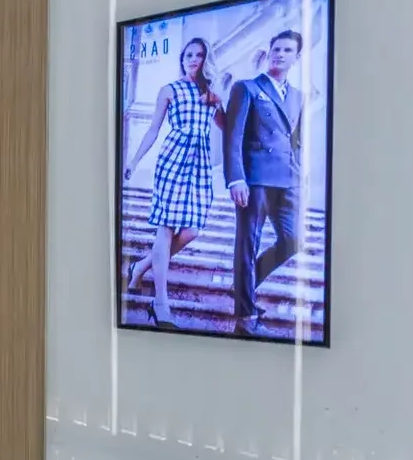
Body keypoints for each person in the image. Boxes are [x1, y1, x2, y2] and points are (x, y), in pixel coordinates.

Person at [124, 37, 226, 328]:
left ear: (207, 60)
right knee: (165, 229)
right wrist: (133, 161)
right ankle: (161, 303)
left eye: (200, 55)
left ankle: (141, 265)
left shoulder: (211, 93)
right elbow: (154, 129)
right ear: (182, 58)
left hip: (200, 164)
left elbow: (226, 128)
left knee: (192, 230)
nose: (193, 59)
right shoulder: (169, 90)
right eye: (189, 55)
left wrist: (222, 100)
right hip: (173, 159)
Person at [225, 29, 307, 337]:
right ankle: (245, 317)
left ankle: (243, 285)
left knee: (293, 240)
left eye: (287, 50)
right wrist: (236, 178)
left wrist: (300, 173)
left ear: (296, 58)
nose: (280, 54)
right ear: (269, 51)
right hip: (255, 178)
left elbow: (296, 141)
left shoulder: (298, 96)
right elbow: (233, 137)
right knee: (247, 243)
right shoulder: (246, 88)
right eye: (276, 48)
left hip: (288, 180)